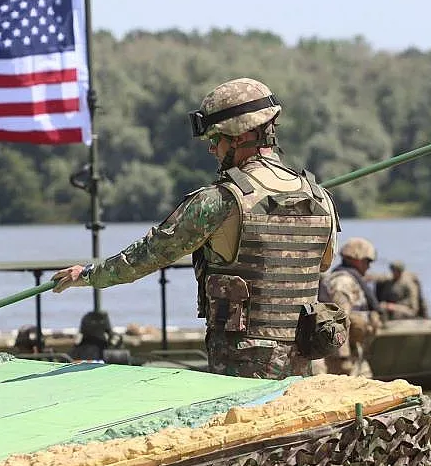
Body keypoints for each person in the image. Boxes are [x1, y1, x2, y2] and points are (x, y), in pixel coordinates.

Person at [53, 77, 344, 380]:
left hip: (241, 369)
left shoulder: (218, 201)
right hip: (302, 365)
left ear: (242, 136)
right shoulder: (320, 197)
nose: (212, 150)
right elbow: (322, 264)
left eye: (216, 139)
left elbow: (146, 256)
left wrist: (85, 275)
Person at [316, 237, 383, 377]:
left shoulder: (352, 280)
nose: (369, 266)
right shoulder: (342, 282)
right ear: (356, 259)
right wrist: (343, 357)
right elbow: (339, 320)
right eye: (367, 261)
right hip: (340, 357)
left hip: (356, 352)